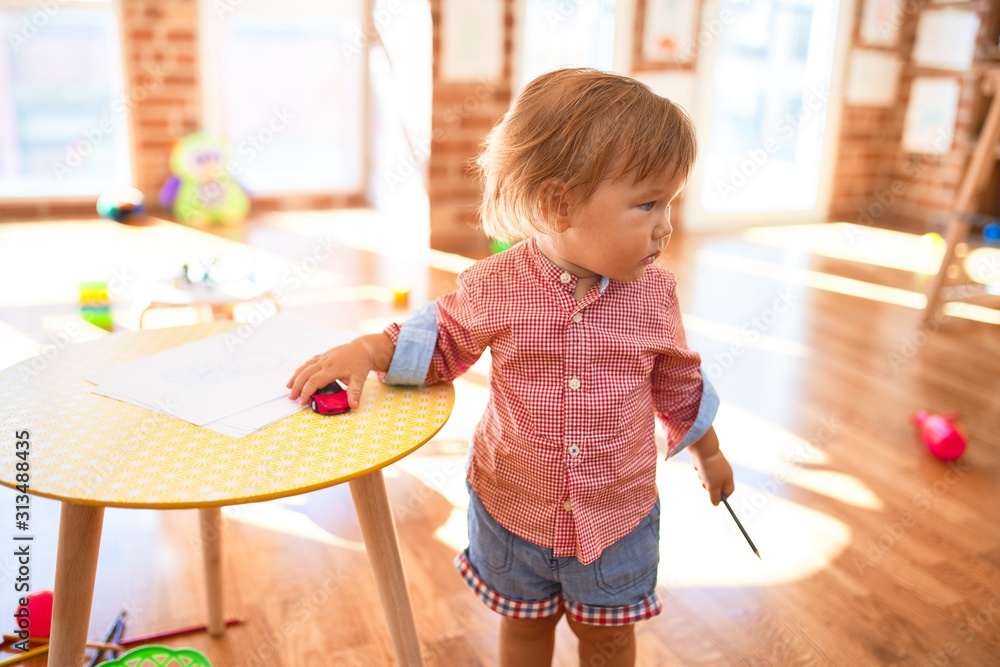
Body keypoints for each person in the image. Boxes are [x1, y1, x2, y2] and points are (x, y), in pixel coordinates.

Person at [287, 68, 735, 667]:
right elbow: (438, 341)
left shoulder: (654, 294)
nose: (665, 225)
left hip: (617, 515)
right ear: (558, 203)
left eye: (670, 202)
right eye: (647, 203)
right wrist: (370, 350)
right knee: (525, 632)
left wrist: (709, 451)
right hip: (513, 509)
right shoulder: (496, 286)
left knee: (608, 637)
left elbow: (678, 383)